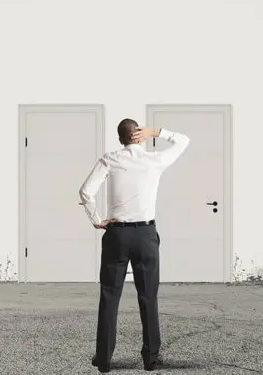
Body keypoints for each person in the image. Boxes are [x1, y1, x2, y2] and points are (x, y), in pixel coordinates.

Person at [78, 118, 190, 372]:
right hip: (146, 236)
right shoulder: (154, 160)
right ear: (139, 136)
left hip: (116, 234)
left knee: (109, 297)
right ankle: (150, 359)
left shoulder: (111, 158)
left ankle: (104, 359)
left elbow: (86, 191)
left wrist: (97, 220)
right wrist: (157, 131)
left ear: (120, 139)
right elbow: (184, 141)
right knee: (148, 297)